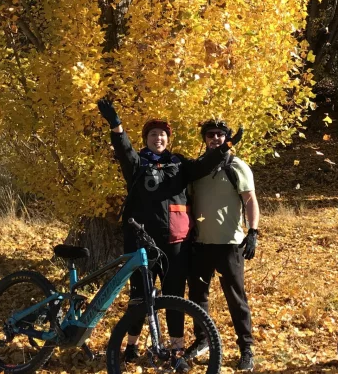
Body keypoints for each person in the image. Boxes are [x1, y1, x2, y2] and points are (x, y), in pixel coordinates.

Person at [97, 99, 242, 373]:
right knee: (139, 295)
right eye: (153, 134)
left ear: (168, 139)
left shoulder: (179, 163)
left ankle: (176, 349)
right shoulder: (137, 164)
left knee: (175, 295)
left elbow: (203, 166)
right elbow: (123, 149)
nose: (158, 138)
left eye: (162, 134)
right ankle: (131, 345)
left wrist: (225, 147)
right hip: (140, 243)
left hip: (175, 242)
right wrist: (117, 126)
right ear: (147, 140)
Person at [185, 119, 260, 372]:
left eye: (220, 135)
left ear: (227, 138)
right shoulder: (198, 169)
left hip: (230, 244)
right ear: (204, 139)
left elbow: (250, 200)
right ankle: (203, 339)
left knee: (236, 298)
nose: (215, 138)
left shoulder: (236, 166)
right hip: (201, 244)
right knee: (197, 297)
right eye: (210, 135)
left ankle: (246, 348)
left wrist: (253, 232)